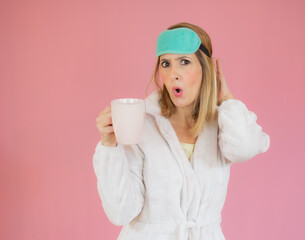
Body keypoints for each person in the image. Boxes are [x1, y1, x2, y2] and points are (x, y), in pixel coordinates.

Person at [93, 22, 270, 240]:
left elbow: (245, 147)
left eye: (184, 62)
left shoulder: (221, 123)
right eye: (165, 64)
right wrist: (110, 147)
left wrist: (227, 100)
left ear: (205, 68)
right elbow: (121, 212)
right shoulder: (142, 123)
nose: (174, 73)